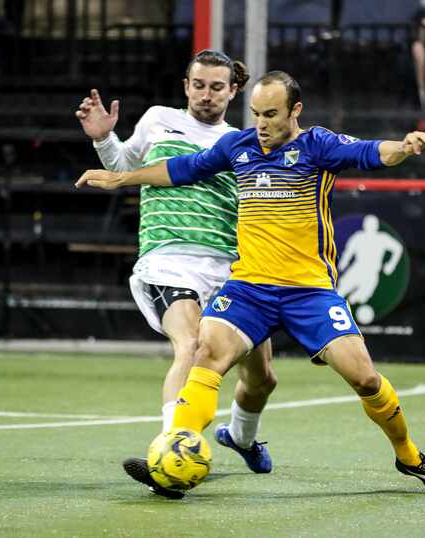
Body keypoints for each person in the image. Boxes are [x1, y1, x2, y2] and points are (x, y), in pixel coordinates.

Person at [76, 70, 425, 495]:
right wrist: (119, 177)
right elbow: (182, 169)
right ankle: (172, 454)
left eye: (271, 114)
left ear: (295, 110)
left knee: (365, 380)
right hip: (248, 289)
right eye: (256, 113)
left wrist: (404, 147)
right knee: (205, 354)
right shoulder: (238, 146)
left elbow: (374, 152)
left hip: (309, 290)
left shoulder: (318, 145)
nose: (261, 123)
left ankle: (408, 455)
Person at [75, 50, 277, 499]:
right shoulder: (158, 119)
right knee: (190, 346)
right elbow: (124, 169)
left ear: (233, 91)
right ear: (186, 85)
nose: (206, 95)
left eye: (216, 87)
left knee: (262, 378)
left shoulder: (244, 142)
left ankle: (241, 437)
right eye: (198, 85)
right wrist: (104, 140)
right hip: (169, 258)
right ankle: (170, 450)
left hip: (231, 267)